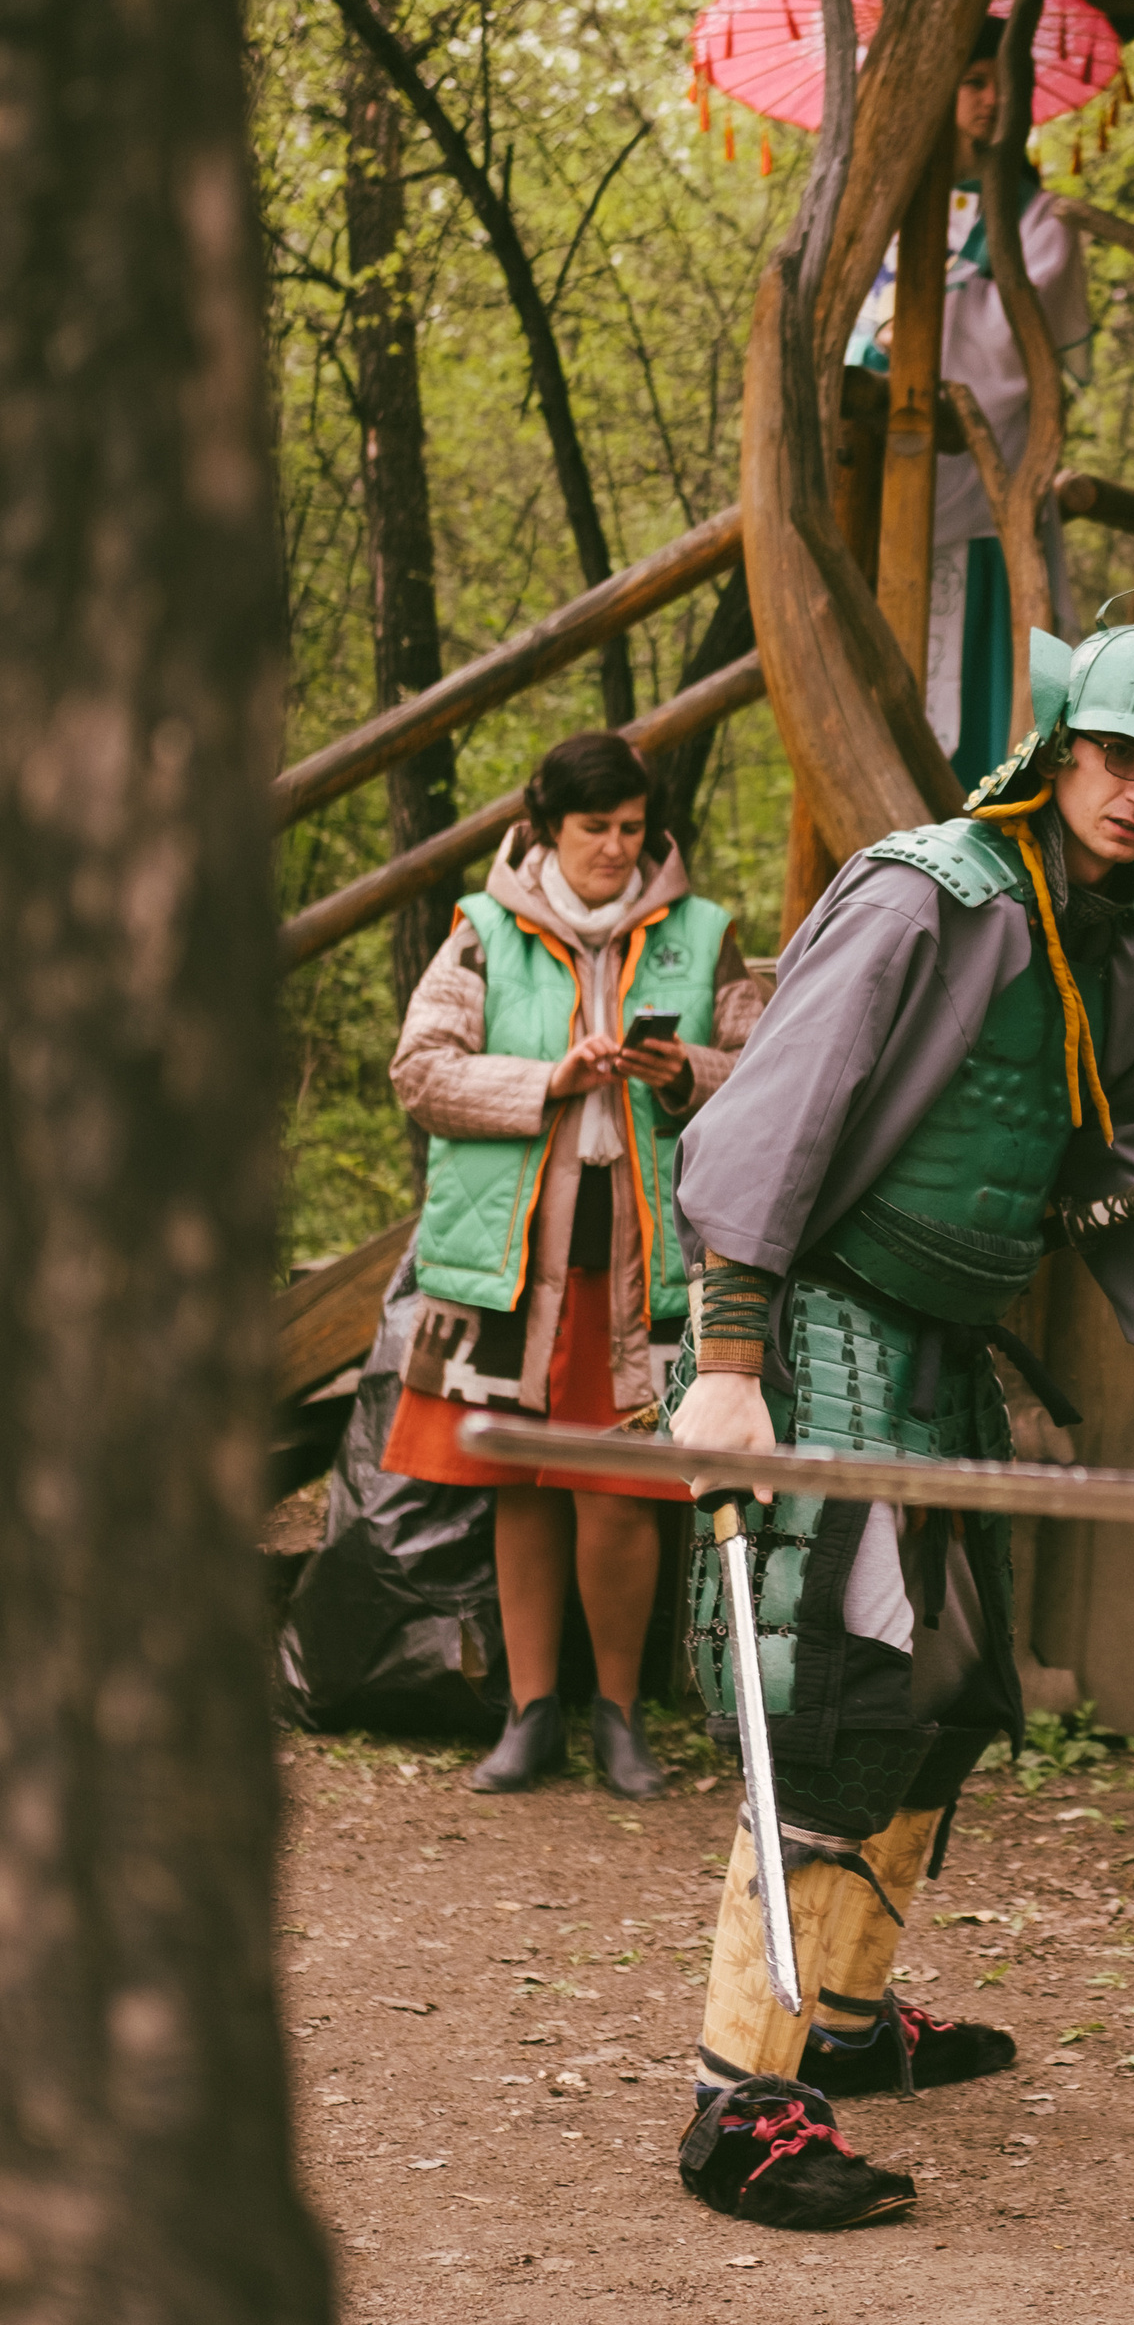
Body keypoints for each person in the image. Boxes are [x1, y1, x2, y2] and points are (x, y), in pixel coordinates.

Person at [661, 622, 1134, 2228]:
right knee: (838, 1692)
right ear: (1060, 745)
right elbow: (774, 1111)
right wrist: (729, 1353)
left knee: (946, 1683)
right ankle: (742, 2101)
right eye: (1118, 756)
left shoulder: (1131, 959)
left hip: (944, 1345)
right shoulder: (924, 896)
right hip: (819, 1319)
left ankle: (846, 2021)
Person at [384, 731, 760, 1797]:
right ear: (545, 826)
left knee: (619, 1491)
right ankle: (530, 1714)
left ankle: (622, 1719)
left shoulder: (702, 933)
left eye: (633, 827)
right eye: (595, 827)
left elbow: (770, 1074)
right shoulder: (482, 932)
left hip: (640, 1261)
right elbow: (421, 1071)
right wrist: (551, 1077)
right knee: (522, 1486)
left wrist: (683, 1068)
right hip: (511, 1260)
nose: (616, 847)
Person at [848, 16, 1093, 791]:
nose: (990, 101)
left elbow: (1007, 354)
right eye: (974, 82)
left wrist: (920, 327)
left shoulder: (1038, 220)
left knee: (992, 706)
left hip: (986, 490)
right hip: (884, 488)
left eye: (1002, 85)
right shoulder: (885, 210)